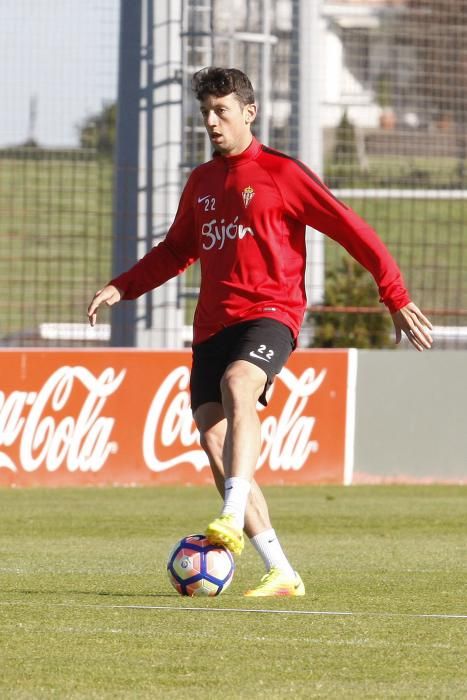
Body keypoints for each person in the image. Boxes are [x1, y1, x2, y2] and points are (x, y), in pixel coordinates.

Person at [88, 67, 433, 597]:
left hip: (271, 313)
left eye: (221, 111)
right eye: (205, 112)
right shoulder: (201, 182)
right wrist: (122, 287)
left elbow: (352, 228)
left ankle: (229, 516)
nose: (211, 121)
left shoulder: (281, 173)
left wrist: (396, 295)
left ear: (249, 112)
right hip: (211, 326)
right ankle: (281, 570)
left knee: (238, 385)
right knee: (211, 435)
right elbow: (177, 251)